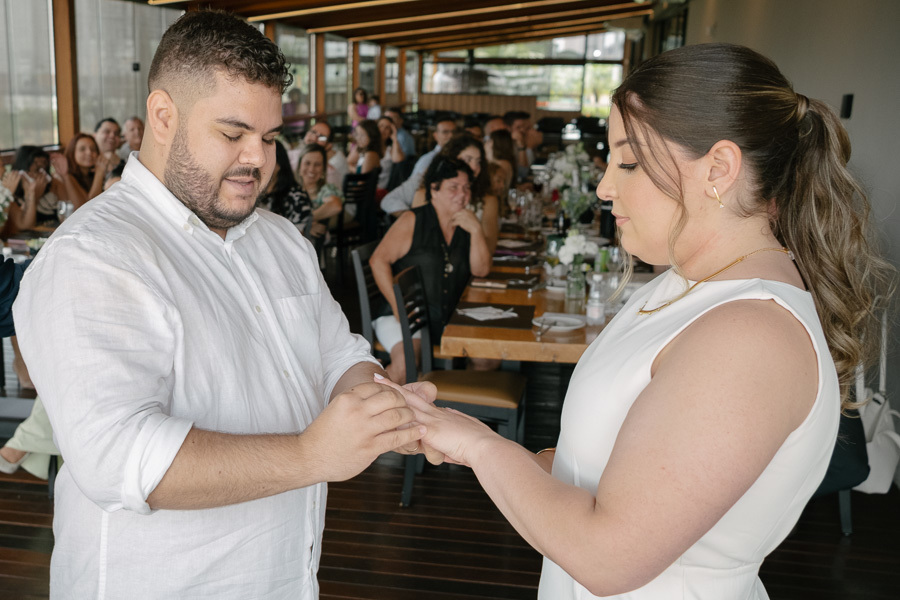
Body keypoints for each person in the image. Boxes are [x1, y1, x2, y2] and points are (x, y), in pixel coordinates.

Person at [404, 43, 894, 599]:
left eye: (629, 161)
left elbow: (607, 557)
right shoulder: (685, 280)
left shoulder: (750, 334)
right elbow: (594, 470)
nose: (604, 186)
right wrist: (467, 439)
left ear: (719, 168)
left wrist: (478, 444)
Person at [14, 11, 435, 599]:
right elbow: (118, 457)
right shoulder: (94, 256)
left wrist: (383, 408)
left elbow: (338, 357)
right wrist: (312, 456)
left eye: (267, 138)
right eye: (232, 134)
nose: (257, 160)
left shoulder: (280, 240)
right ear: (163, 117)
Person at [369, 155, 491, 384]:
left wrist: (476, 231)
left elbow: (482, 270)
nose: (462, 195)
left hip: (447, 318)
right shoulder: (413, 220)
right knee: (406, 365)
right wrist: (398, 307)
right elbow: (378, 260)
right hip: (406, 317)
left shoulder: (466, 224)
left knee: (488, 359)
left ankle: (468, 412)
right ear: (434, 190)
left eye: (466, 188)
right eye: (453, 187)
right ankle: (376, 414)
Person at [410, 134, 499, 254]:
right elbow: (414, 241)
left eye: (478, 162)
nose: (474, 167)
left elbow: (490, 247)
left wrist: (475, 230)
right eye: (467, 160)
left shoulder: (488, 201)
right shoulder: (424, 194)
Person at [380, 117, 457, 215]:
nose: (451, 136)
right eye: (445, 132)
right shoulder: (428, 160)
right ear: (436, 136)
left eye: (454, 132)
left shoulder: (462, 157)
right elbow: (414, 189)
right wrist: (412, 220)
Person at [256, 140, 317, 240]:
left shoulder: (296, 196)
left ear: (279, 164)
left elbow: (298, 237)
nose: (259, 165)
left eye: (265, 160)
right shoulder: (252, 193)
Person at [296, 144, 344, 249]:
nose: (312, 169)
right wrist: (306, 225)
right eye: (307, 163)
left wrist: (306, 222)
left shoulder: (325, 190)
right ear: (299, 166)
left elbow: (336, 205)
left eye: (317, 164)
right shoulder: (290, 190)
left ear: (323, 169)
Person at [51, 133, 104, 209]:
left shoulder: (91, 175)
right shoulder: (63, 177)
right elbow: (88, 208)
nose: (89, 153)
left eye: (93, 149)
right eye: (82, 149)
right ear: (72, 153)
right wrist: (99, 173)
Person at [297, 121, 348, 189]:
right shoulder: (296, 154)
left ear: (329, 146)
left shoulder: (333, 166)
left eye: (322, 137)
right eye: (313, 132)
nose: (314, 138)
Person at [503, 110, 534, 181]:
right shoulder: (503, 145)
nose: (523, 130)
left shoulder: (525, 141)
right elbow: (522, 173)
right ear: (507, 128)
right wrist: (522, 147)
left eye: (526, 128)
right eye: (519, 127)